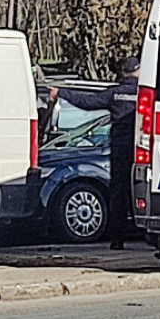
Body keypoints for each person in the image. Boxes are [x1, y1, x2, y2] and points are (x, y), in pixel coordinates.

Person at [49, 57, 140, 249]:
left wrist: (62, 93)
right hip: (143, 146)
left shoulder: (114, 94)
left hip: (121, 147)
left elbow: (88, 101)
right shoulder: (146, 93)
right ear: (138, 71)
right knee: (141, 188)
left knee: (119, 192)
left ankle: (117, 240)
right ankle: (149, 234)